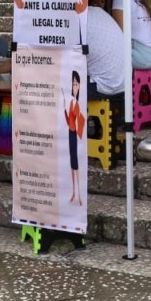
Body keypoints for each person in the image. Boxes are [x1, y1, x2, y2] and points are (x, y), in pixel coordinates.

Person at [85, 0, 125, 98]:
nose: (99, 6)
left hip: (102, 87)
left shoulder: (84, 17)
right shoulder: (107, 18)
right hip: (122, 84)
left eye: (102, 2)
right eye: (95, 2)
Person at [64, 70, 86, 207]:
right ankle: (74, 192)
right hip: (71, 133)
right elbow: (69, 120)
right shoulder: (71, 101)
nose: (75, 87)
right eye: (73, 84)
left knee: (77, 163)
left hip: (77, 134)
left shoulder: (77, 103)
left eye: (76, 84)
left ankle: (79, 192)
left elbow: (81, 118)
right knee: (72, 163)